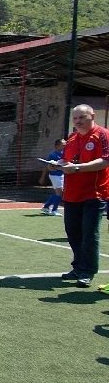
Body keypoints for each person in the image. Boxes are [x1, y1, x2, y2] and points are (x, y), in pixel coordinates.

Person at [57, 104, 109, 288]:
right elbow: (66, 160)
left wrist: (77, 167)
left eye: (82, 117)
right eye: (75, 118)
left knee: (89, 234)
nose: (78, 122)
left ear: (92, 116)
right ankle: (78, 267)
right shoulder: (71, 138)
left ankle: (87, 271)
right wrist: (57, 164)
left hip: (94, 195)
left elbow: (105, 161)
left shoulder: (102, 134)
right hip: (72, 195)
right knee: (73, 233)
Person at [39, 138, 65, 216]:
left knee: (59, 193)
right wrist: (42, 177)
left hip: (61, 175)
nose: (65, 146)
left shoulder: (64, 153)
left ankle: (46, 207)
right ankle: (54, 210)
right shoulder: (52, 155)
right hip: (54, 175)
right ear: (57, 146)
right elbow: (48, 167)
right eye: (63, 144)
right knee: (59, 193)